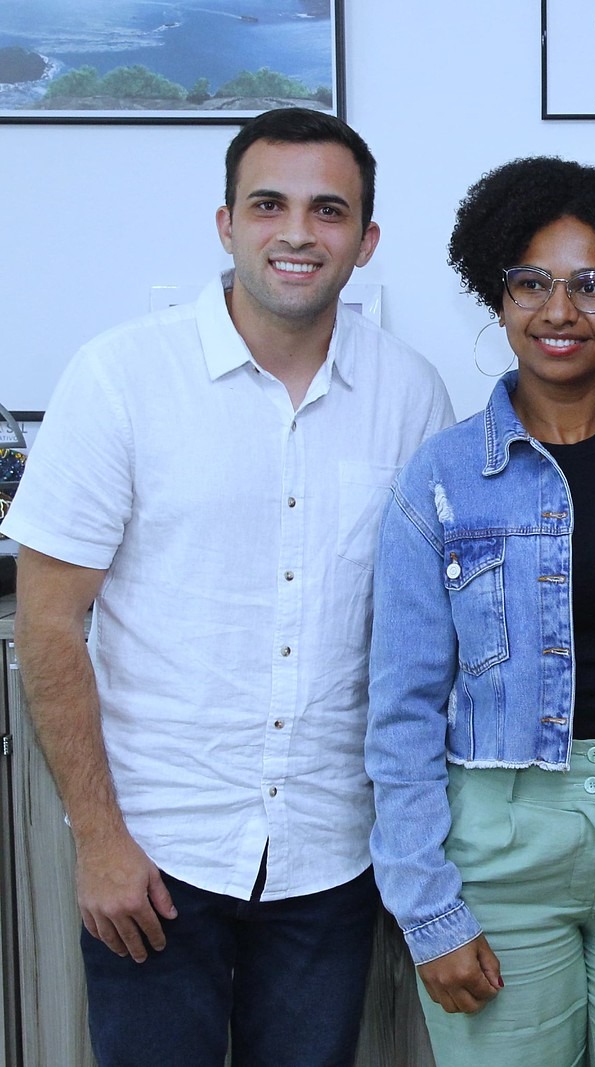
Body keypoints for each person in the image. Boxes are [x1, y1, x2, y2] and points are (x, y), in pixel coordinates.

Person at [0, 108, 454, 1065]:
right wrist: (99, 838)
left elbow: (420, 633)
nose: (297, 232)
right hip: (155, 857)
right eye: (269, 205)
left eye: (328, 210)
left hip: (331, 860)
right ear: (226, 224)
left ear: (366, 241)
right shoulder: (122, 377)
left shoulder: (412, 395)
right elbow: (48, 622)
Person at [367, 156, 595, 1067]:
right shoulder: (442, 479)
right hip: (499, 857)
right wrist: (428, 906)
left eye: (591, 286)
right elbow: (402, 708)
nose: (559, 311)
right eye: (531, 283)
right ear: (498, 297)